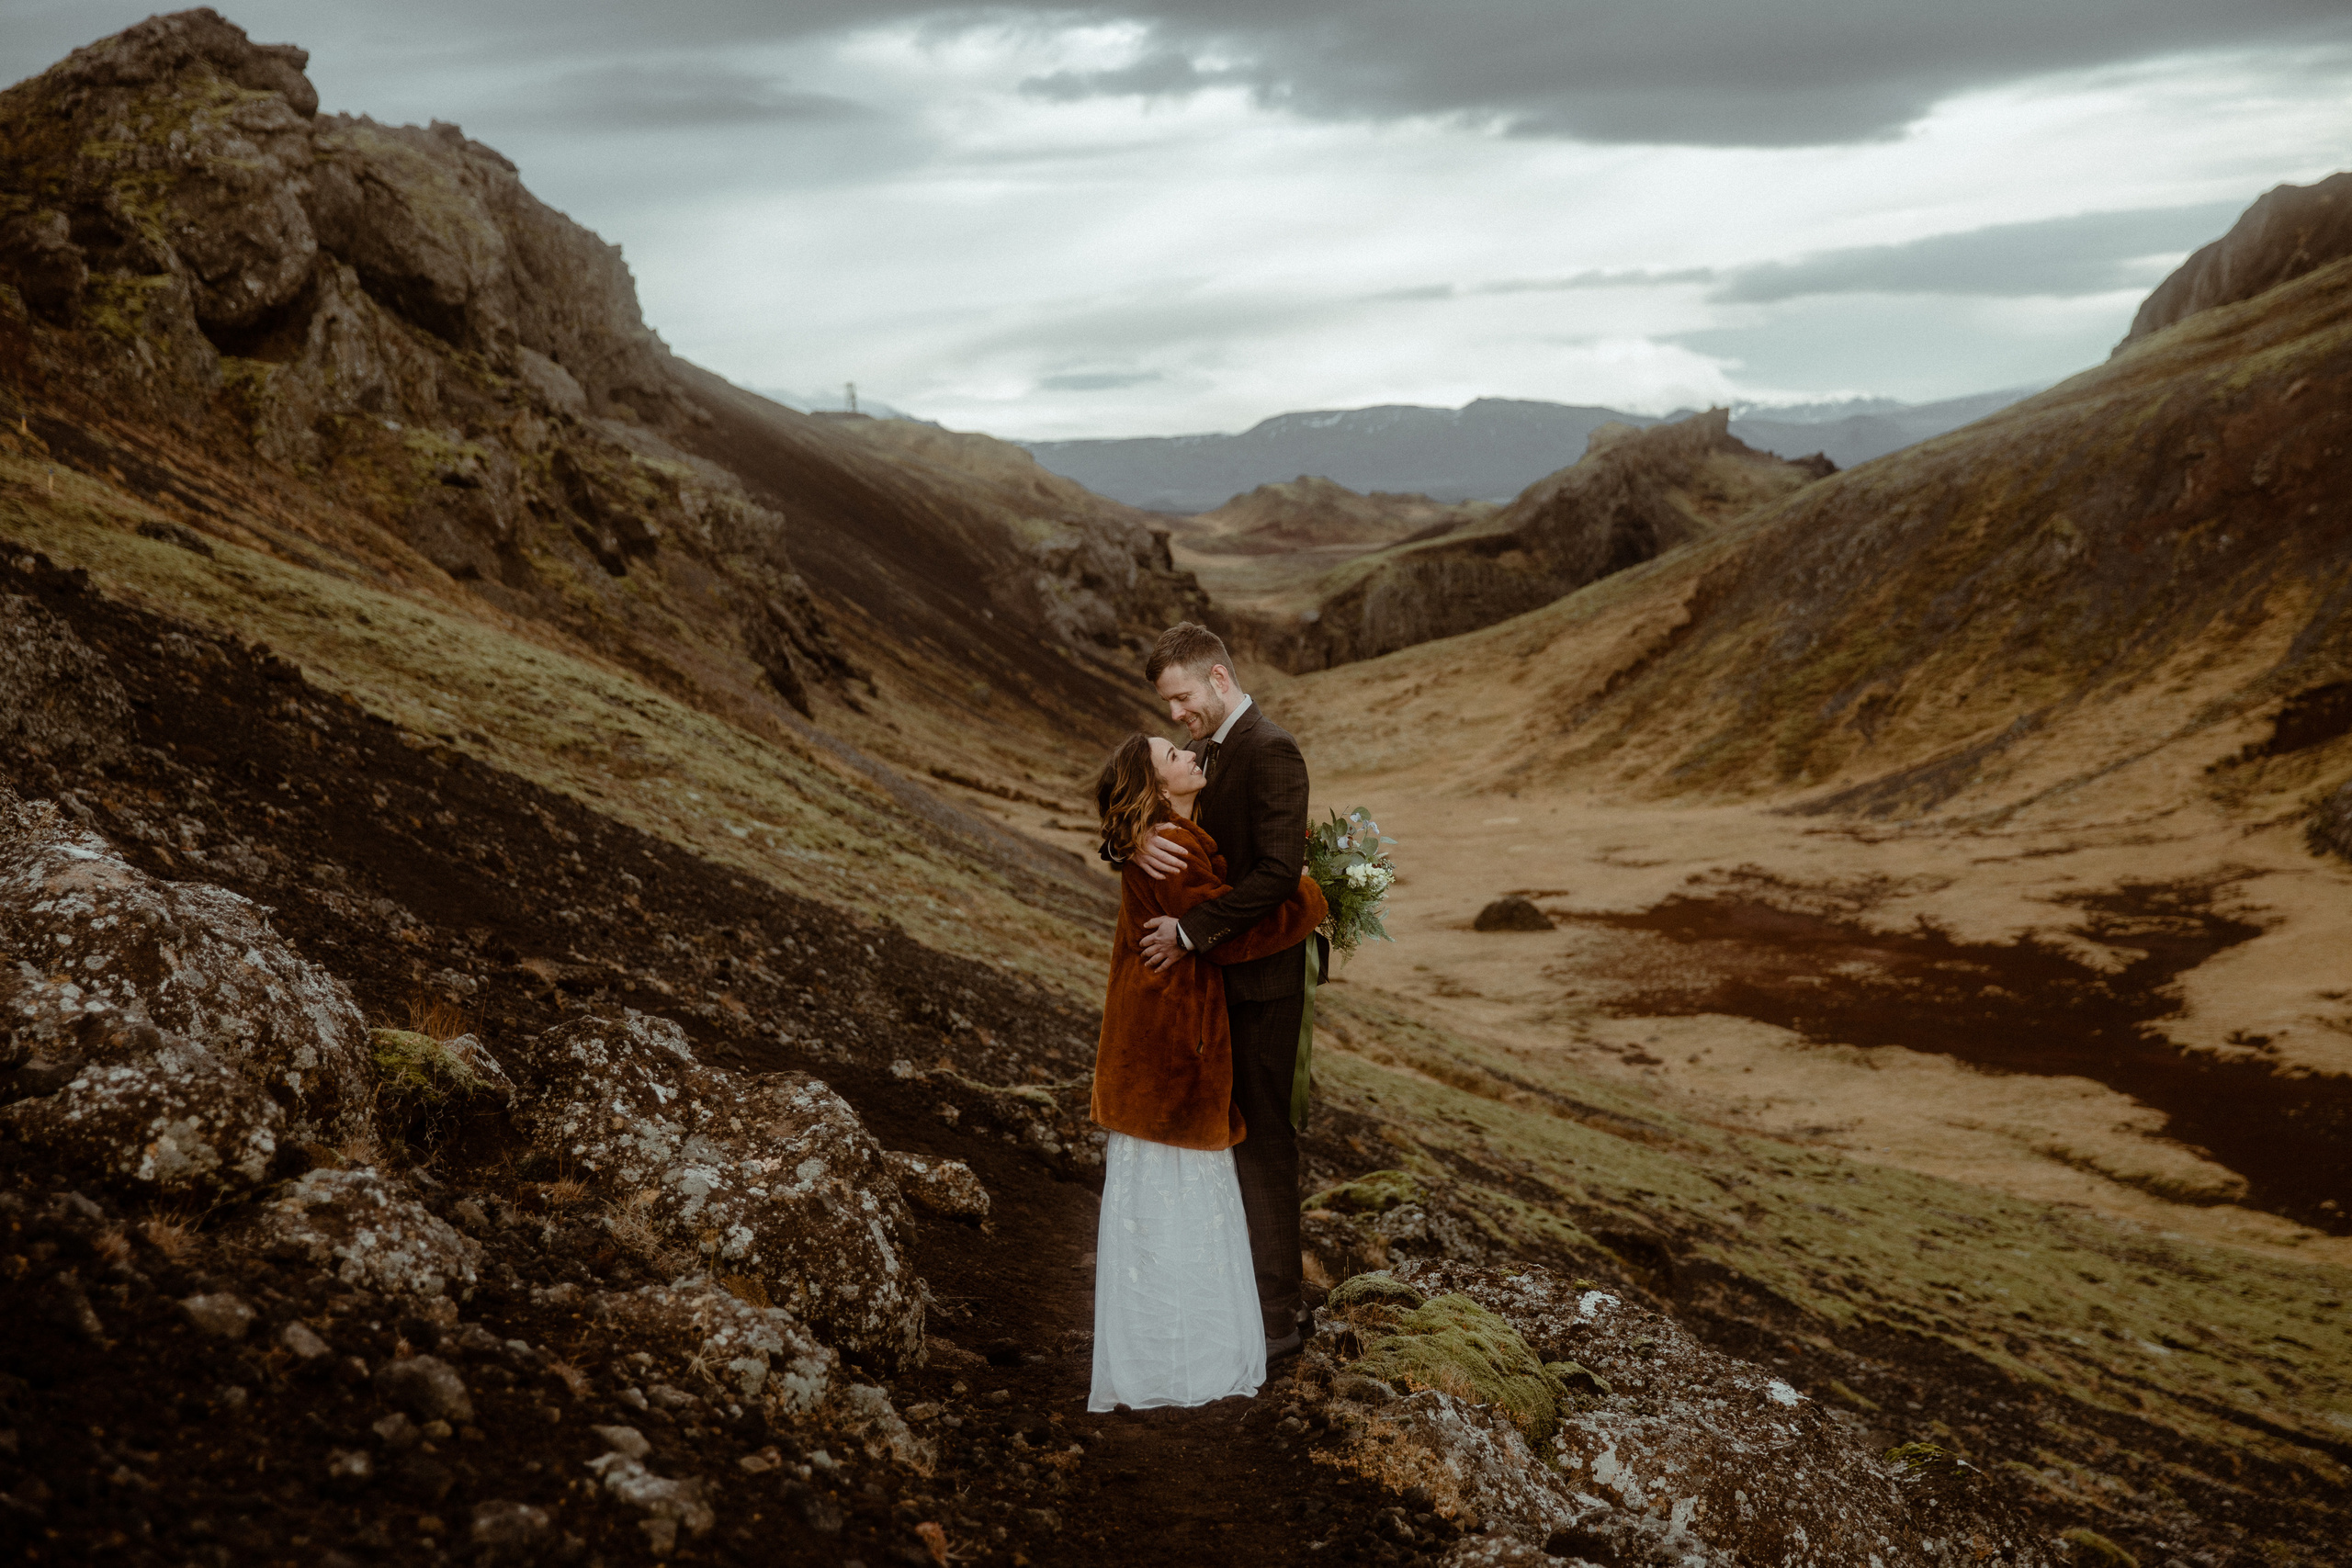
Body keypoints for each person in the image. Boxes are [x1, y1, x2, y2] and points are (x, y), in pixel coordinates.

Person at [1088, 732, 1325, 1412]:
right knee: (1178, 1198)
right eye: (1174, 756)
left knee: (1169, 1198)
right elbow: (1238, 932)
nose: (1193, 754)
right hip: (1168, 1053)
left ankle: (1170, 1351)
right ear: (1162, 788)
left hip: (1158, 1050)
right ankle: (1181, 1361)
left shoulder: (1169, 834)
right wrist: (1313, 897)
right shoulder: (1172, 848)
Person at [1127, 623, 1318, 1361]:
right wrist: (1132, 838)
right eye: (1169, 705)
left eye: (1181, 698)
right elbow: (1139, 793)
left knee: (1265, 1141)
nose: (1176, 715)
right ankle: (1243, 1299)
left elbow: (1276, 871)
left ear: (1217, 677)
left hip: (1265, 985)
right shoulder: (1206, 753)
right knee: (1228, 1139)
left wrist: (1188, 931)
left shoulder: (1271, 749)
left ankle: (1277, 1320)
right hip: (1218, 986)